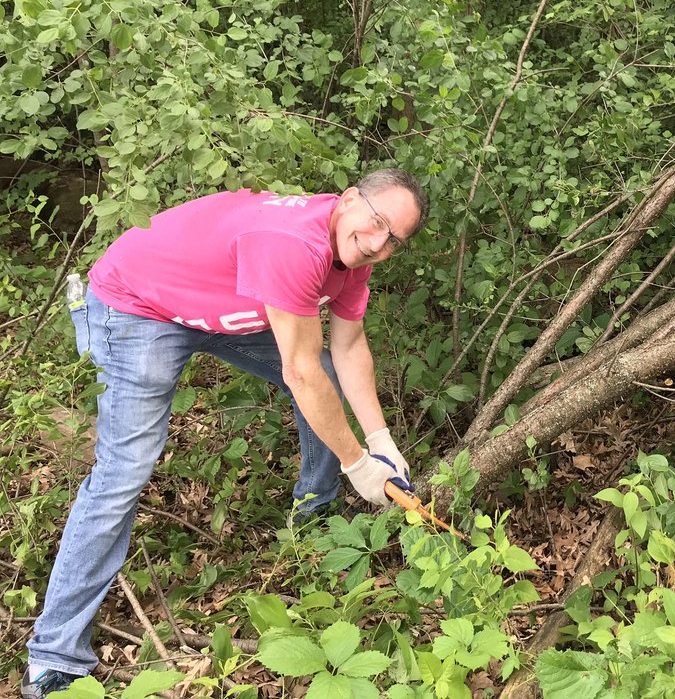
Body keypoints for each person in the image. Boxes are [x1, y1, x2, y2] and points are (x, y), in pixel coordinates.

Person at [22, 168, 428, 698]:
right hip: (138, 305)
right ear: (349, 199)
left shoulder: (350, 261)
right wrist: (359, 466)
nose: (377, 243)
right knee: (124, 471)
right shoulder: (293, 244)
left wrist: (381, 444)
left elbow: (349, 350)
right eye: (375, 223)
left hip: (212, 308)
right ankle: (54, 656)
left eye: (392, 239)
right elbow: (299, 371)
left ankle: (314, 510)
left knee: (323, 375)